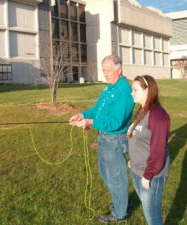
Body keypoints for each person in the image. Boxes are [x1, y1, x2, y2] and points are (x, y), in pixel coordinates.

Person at [69, 55, 134, 223]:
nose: (105, 73)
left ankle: (120, 214)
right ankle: (122, 202)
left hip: (115, 139)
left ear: (119, 69)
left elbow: (116, 121)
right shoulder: (109, 88)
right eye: (103, 70)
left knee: (116, 176)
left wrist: (92, 122)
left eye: (108, 70)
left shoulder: (124, 91)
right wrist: (82, 114)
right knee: (105, 173)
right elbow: (98, 108)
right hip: (104, 138)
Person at [127, 75, 170, 225]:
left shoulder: (158, 115)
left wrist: (148, 174)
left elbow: (158, 150)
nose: (132, 93)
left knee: (152, 218)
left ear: (147, 91)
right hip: (137, 171)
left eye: (135, 90)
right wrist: (132, 162)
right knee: (148, 212)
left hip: (151, 176)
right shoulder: (142, 110)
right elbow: (137, 138)